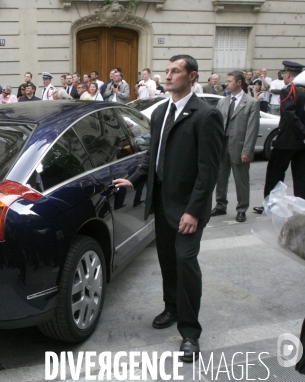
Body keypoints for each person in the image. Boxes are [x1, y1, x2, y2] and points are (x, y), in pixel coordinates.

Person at [113, 54, 224, 362]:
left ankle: (190, 334)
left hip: (188, 208)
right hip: (161, 203)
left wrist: (193, 210)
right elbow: (153, 155)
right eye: (167, 71)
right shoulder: (161, 112)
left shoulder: (205, 115)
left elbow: (208, 171)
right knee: (167, 261)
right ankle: (172, 308)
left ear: (192, 77)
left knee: (186, 263)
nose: (169, 76)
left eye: (176, 71)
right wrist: (134, 179)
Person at [254, 61, 305, 213]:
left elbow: (289, 114)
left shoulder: (289, 90)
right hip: (301, 142)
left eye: (284, 74)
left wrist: (302, 131)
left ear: (288, 74)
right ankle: (301, 205)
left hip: (286, 140)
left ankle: (270, 205)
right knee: (301, 176)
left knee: (275, 174)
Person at [211, 71, 260, 222]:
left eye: (230, 81)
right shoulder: (223, 101)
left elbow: (252, 129)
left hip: (239, 146)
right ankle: (220, 205)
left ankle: (242, 208)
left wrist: (247, 150)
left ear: (239, 83)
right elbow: (217, 125)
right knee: (220, 177)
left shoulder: (251, 103)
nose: (226, 84)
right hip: (222, 145)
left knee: (241, 180)